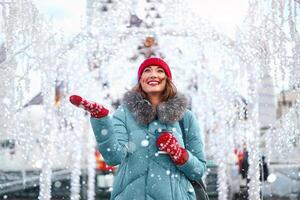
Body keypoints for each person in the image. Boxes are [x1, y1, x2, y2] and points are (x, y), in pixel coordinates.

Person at [69, 57, 206, 200]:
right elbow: (113, 157)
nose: (153, 74)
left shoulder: (186, 117)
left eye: (160, 71)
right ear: (140, 79)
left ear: (167, 80)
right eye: (147, 70)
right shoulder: (124, 114)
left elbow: (198, 170)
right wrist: (101, 119)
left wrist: (179, 153)